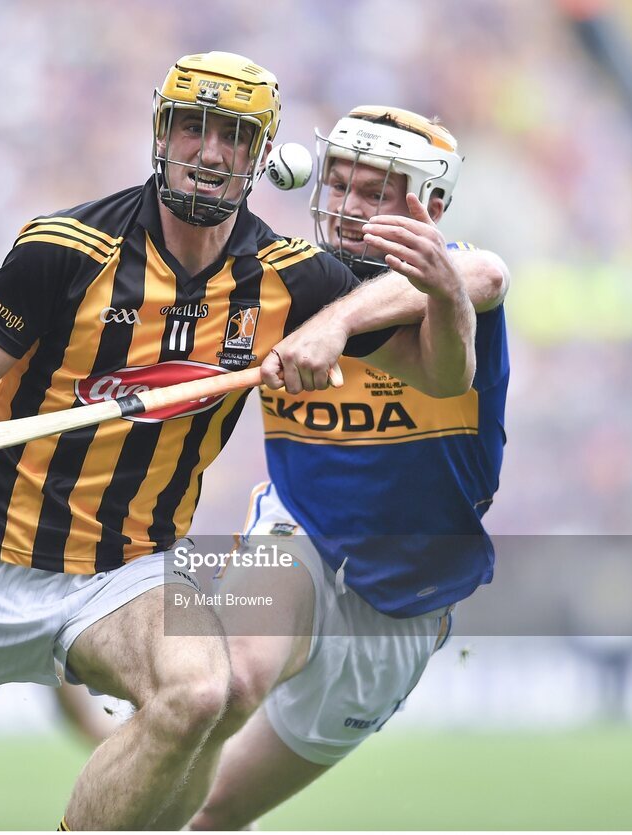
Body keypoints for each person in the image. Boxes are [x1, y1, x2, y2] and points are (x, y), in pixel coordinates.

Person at [0, 55, 477, 830]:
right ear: (160, 135)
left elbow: (441, 373)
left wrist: (444, 288)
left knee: (200, 692)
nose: (207, 151)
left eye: (231, 135)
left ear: (261, 155)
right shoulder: (64, 251)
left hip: (128, 572)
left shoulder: (290, 279)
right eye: (190, 127)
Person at [162, 106, 512, 830]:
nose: (349, 210)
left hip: (407, 594)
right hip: (300, 532)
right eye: (341, 186)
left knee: (219, 810)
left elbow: (464, 324)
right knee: (228, 687)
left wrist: (338, 324)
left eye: (373, 193)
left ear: (431, 205)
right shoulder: (285, 279)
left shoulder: (462, 274)